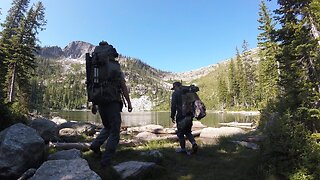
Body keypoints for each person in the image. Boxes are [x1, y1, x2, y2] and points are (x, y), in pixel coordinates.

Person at [89, 43, 133, 167]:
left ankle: (95, 145)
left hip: (100, 101)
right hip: (112, 101)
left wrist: (93, 103)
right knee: (114, 131)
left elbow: (92, 85)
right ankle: (106, 160)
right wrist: (129, 103)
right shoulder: (114, 66)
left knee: (107, 127)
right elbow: (123, 86)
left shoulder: (95, 67)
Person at [170, 81, 198, 155]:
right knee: (188, 131)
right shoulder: (188, 92)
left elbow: (173, 106)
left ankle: (183, 149)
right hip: (190, 115)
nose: (174, 89)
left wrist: (172, 116)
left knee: (180, 133)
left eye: (174, 88)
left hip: (181, 116)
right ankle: (194, 143)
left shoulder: (175, 94)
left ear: (176, 86)